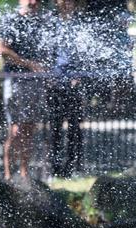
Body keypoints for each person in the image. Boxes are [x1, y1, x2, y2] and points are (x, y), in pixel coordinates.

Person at [0, 0, 54, 180]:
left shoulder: (42, 22)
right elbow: (1, 49)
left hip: (34, 82)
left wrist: (45, 69)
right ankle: (8, 176)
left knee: (29, 129)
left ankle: (24, 175)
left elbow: (47, 52)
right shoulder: (11, 20)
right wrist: (28, 64)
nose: (33, 2)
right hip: (15, 81)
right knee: (15, 130)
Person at [46, 0, 85, 178]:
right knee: (54, 128)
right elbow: (46, 52)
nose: (67, 3)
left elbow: (84, 53)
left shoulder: (80, 22)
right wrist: (48, 76)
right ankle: (54, 168)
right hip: (55, 84)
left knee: (75, 129)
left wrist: (78, 75)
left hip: (74, 85)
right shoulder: (51, 22)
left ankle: (73, 167)